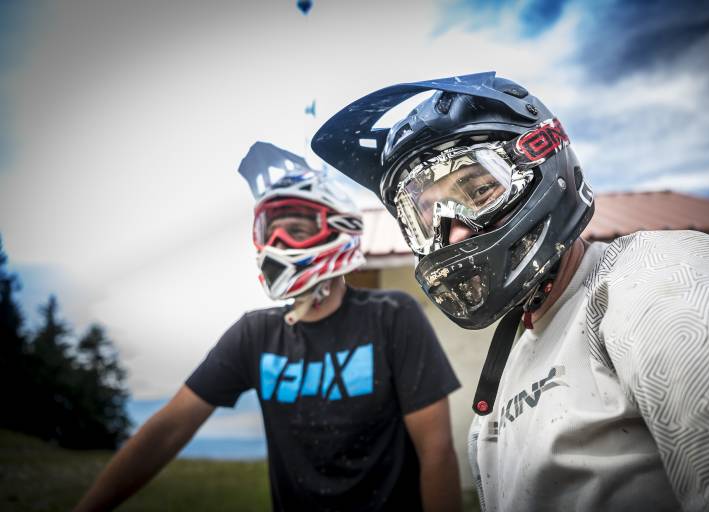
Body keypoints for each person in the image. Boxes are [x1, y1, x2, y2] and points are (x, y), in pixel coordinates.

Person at [310, 72, 709, 511]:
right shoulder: (515, 353)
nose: (451, 235)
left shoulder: (661, 277)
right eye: (428, 215)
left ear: (541, 157)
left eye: (478, 189)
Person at [74, 142, 462, 512]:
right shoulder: (255, 336)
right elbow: (169, 430)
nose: (276, 244)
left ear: (336, 228)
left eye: (293, 230)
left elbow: (437, 451)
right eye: (269, 231)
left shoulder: (392, 316)